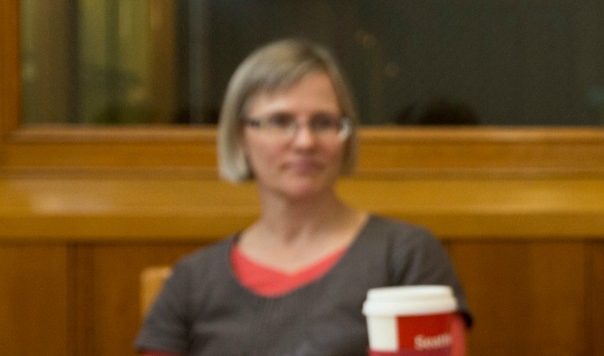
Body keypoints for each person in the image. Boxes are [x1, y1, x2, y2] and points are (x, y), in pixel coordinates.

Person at [136, 39, 471, 356]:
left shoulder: (405, 257)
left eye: (324, 122)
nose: (305, 141)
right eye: (281, 121)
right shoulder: (191, 282)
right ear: (240, 136)